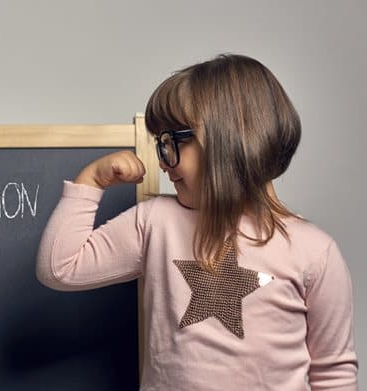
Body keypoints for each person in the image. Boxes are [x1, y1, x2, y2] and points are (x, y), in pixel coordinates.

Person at [35, 53, 359, 390]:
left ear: (232, 139)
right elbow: (60, 267)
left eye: (174, 142)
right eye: (161, 145)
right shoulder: (155, 223)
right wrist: (92, 180)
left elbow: (334, 373)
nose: (163, 162)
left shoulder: (314, 252)